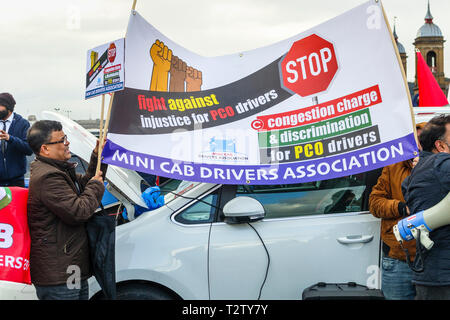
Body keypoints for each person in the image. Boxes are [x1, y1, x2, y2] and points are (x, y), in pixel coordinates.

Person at [26, 120, 107, 300]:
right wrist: (96, 185)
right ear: (45, 149)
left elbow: (84, 185)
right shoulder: (48, 177)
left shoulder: (57, 170)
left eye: (66, 138)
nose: (67, 143)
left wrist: (97, 156)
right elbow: (79, 212)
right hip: (58, 276)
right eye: (62, 140)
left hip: (71, 267)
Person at [369, 122, 427, 300]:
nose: (417, 145)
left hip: (433, 260)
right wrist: (401, 207)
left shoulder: (441, 168)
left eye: (422, 140)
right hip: (399, 257)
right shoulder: (393, 166)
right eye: (414, 139)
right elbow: (375, 202)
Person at [402, 115, 450, 300]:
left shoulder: (418, 170)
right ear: (441, 146)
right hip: (444, 277)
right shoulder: (441, 164)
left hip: (433, 274)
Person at [0, 93, 33, 187]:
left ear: (8, 107)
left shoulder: (23, 124)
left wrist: (10, 139)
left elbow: (29, 149)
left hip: (16, 180)